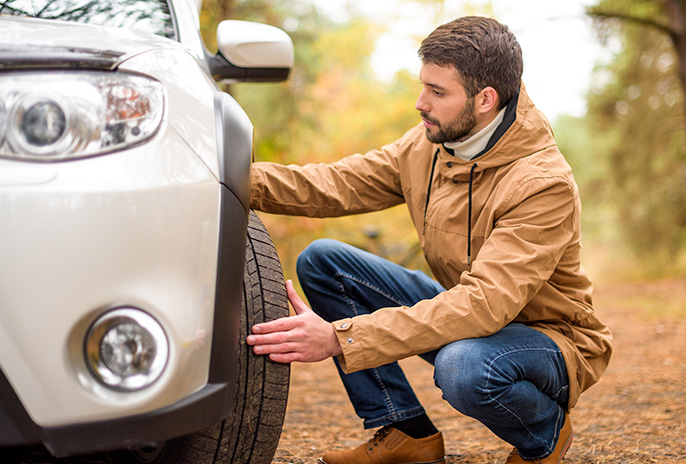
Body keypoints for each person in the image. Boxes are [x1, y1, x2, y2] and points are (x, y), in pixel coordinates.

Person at [246, 15, 612, 464]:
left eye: (438, 92)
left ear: (485, 99)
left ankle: (544, 434)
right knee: (324, 262)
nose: (421, 103)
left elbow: (483, 305)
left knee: (463, 368)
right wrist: (233, 180)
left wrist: (341, 338)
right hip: (471, 314)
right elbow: (334, 184)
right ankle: (407, 432)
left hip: (550, 340)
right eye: (424, 86)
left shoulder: (541, 183)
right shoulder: (429, 145)